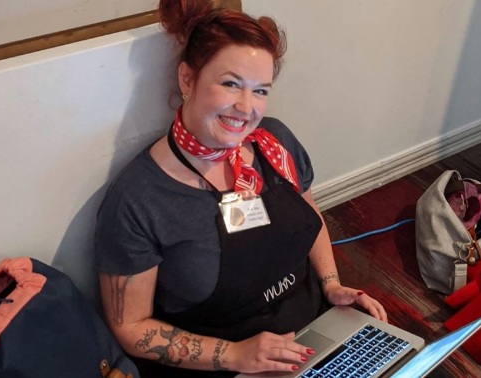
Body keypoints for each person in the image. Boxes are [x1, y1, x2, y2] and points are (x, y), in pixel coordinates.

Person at [94, 1, 387, 377]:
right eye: (230, 84)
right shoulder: (138, 199)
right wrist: (234, 355)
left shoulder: (274, 143)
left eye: (260, 91)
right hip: (221, 366)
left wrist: (332, 286)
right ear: (187, 79)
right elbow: (130, 327)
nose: (246, 108)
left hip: (313, 335)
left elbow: (309, 213)